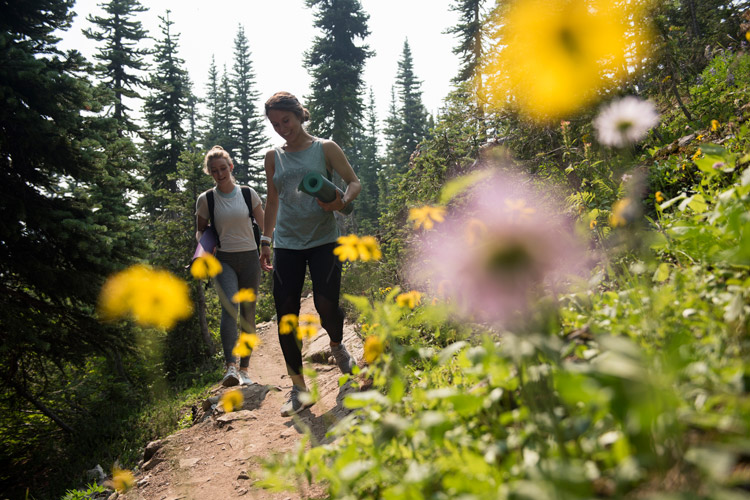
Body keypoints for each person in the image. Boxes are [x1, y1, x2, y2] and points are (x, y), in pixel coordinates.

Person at [261, 91, 362, 417]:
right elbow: (272, 201)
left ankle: (336, 344)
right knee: (286, 314)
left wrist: (341, 201)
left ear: (298, 114)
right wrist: (265, 239)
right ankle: (299, 389)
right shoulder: (273, 156)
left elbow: (353, 182)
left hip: (324, 240)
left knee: (326, 304)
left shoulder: (325, 148)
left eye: (285, 121)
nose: (281, 128)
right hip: (286, 244)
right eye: (275, 124)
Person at [195, 145, 264, 387]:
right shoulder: (206, 199)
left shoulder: (247, 194)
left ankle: (245, 368)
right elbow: (201, 229)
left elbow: (265, 225)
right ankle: (231, 368)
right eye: (214, 170)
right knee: (230, 309)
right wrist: (202, 249)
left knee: (247, 313)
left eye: (223, 168)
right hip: (223, 260)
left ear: (231, 167)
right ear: (210, 173)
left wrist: (267, 249)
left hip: (250, 259)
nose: (220, 173)